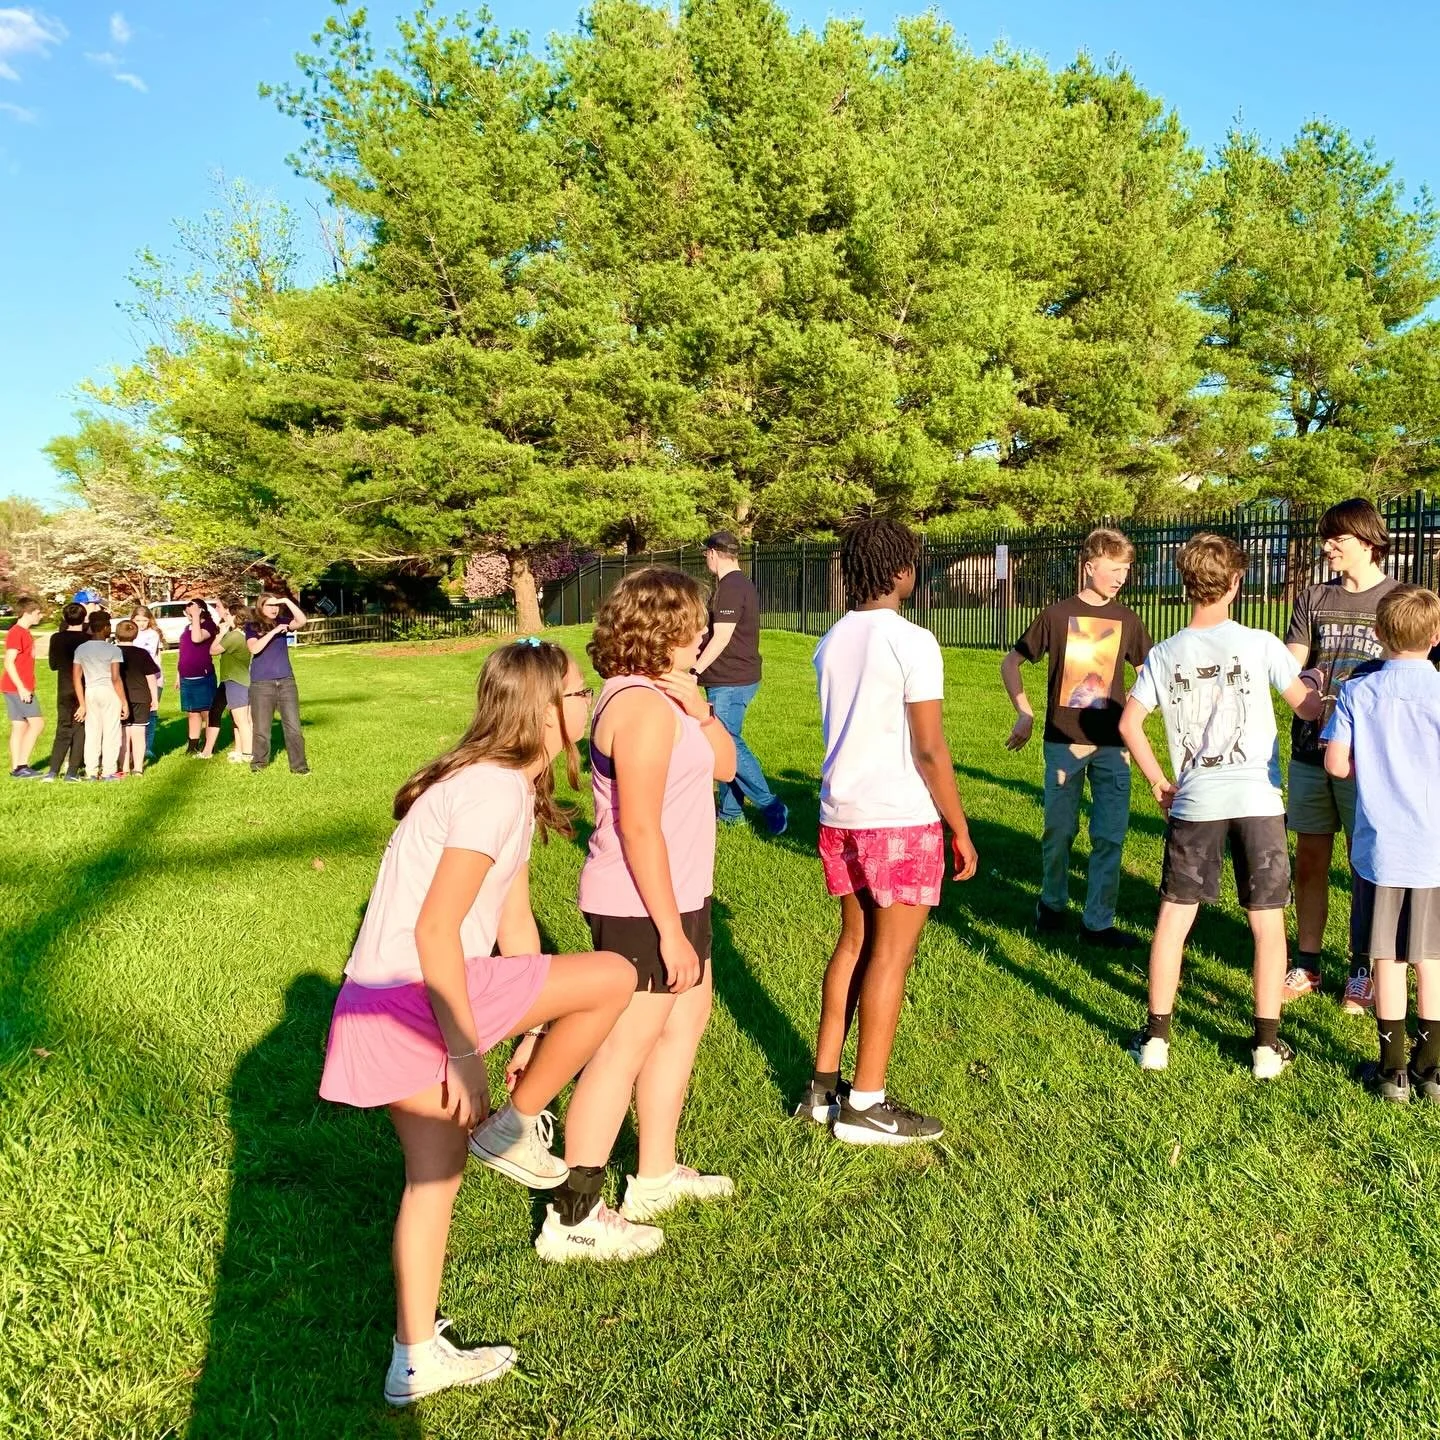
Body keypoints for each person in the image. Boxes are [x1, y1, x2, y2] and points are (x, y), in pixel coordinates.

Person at [318, 638, 635, 1405]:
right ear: (544, 709)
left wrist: (530, 1034)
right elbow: (436, 931)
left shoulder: (500, 788)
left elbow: (514, 923)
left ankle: (415, 1358)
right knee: (616, 976)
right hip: (419, 998)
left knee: (433, 1181)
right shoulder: (492, 792)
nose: (587, 704)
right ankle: (513, 1128)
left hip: (375, 1002)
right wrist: (466, 1054)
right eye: (577, 693)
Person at [536, 569, 738, 1263]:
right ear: (665, 628)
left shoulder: (669, 699)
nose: (706, 632)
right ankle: (573, 1216)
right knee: (621, 1051)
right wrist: (672, 933)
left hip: (680, 893)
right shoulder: (641, 710)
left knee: (684, 1024)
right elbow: (639, 831)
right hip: (643, 905)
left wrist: (703, 710)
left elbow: (725, 768)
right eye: (696, 622)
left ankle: (652, 1175)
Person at [793, 518, 979, 1144]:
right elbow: (929, 749)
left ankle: (823, 1088)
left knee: (852, 943)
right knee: (891, 956)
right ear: (901, 572)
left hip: (839, 814)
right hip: (898, 817)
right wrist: (959, 826)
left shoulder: (831, 639)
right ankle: (866, 1105)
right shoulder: (913, 641)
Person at [1118, 533, 1324, 1080]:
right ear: (1237, 583)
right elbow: (1306, 709)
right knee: (1266, 924)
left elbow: (1128, 723)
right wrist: (1321, 686)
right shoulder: (1260, 644)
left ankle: (1157, 1038)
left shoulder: (1164, 654)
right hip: (1257, 799)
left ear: (1186, 585)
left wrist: (1160, 781)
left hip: (1195, 800)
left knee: (1173, 919)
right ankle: (1265, 1046)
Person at [1001, 528, 1152, 948]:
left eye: (1126, 570)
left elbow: (1149, 676)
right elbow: (1011, 662)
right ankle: (1052, 904)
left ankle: (1097, 923)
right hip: (1063, 743)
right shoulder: (1055, 616)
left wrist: (1140, 718)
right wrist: (1025, 713)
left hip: (1113, 746)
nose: (1120, 578)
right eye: (1113, 569)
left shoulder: (1128, 620)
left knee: (1109, 836)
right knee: (1059, 830)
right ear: (1089, 567)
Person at [1322, 585, 1440, 1104]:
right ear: (1436, 637)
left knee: (1386, 959)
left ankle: (1392, 1070)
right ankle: (1432, 1068)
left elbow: (1336, 764)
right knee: (1431, 959)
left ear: (1376, 635)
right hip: (1433, 849)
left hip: (1382, 849)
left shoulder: (1356, 691)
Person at [1282, 497, 1396, 1013]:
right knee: (1310, 858)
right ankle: (1307, 963)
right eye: (1325, 536)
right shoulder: (1313, 597)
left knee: (1365, 864)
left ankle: (1362, 970)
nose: (1327, 546)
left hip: (1371, 761)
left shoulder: (1401, 600)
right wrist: (1298, 688)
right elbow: (1291, 664)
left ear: (1368, 541)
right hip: (1310, 752)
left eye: (1338, 538)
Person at [692, 530, 788, 835]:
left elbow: (722, 636)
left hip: (730, 679)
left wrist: (694, 670)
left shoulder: (732, 587)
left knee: (727, 743)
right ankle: (732, 812)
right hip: (728, 678)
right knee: (725, 741)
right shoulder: (734, 584)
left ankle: (771, 804)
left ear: (712, 553)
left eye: (705, 554)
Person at [245, 592, 309, 773]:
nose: (274, 609)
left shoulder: (283, 621)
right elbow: (254, 648)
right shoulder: (252, 625)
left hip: (286, 682)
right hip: (261, 684)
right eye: (269, 605)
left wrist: (287, 601)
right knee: (262, 729)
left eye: (276, 605)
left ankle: (299, 767)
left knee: (294, 728)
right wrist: (273, 631)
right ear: (260, 607)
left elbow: (302, 621)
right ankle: (259, 765)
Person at [73, 612, 128, 782]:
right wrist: (124, 702)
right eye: (109, 626)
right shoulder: (113, 649)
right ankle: (109, 771)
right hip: (109, 692)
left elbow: (76, 677)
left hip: (90, 691)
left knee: (92, 733)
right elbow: (115, 677)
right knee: (111, 731)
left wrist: (82, 703)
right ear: (105, 628)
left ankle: (91, 771)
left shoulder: (81, 648)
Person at [43, 601, 89, 782]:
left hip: (64, 687)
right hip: (83, 688)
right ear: (84, 618)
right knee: (80, 729)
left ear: (64, 618)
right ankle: (72, 770)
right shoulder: (87, 640)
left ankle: (53, 770)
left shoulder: (56, 638)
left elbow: (53, 664)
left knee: (63, 728)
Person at [3, 595, 46, 779]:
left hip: (15, 687)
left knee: (19, 726)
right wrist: (21, 687)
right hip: (17, 687)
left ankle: (17, 768)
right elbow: (9, 662)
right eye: (37, 612)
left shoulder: (24, 633)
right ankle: (22, 765)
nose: (40, 616)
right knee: (37, 724)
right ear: (27, 613)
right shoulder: (17, 633)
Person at [177, 598, 223, 758]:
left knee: (206, 711)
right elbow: (182, 653)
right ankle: (192, 745)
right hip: (186, 676)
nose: (190, 614)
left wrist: (196, 617)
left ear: (202, 610)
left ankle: (210, 744)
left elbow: (197, 638)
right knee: (192, 712)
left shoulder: (208, 626)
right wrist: (178, 675)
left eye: (194, 610)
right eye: (188, 611)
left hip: (202, 676)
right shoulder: (186, 628)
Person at [211, 597, 254, 765]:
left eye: (228, 614)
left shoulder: (233, 636)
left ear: (236, 618)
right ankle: (242, 750)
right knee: (246, 720)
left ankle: (247, 753)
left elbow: (213, 651)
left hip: (235, 681)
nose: (226, 617)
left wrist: (221, 633)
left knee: (241, 721)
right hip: (246, 680)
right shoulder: (245, 635)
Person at [116, 619, 161, 777]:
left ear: (116, 634)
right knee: (139, 733)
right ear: (135, 635)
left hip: (119, 699)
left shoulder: (113, 652)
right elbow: (151, 678)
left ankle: (124, 767)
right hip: (141, 697)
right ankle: (138, 768)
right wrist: (154, 698)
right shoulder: (142, 653)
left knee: (123, 733)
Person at [129, 606, 165, 762]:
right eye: (138, 620)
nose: (141, 624)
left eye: (144, 620)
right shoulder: (129, 634)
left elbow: (151, 655)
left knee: (151, 713)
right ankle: (132, 748)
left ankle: (147, 747)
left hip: (153, 677)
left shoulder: (152, 635)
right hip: (134, 677)